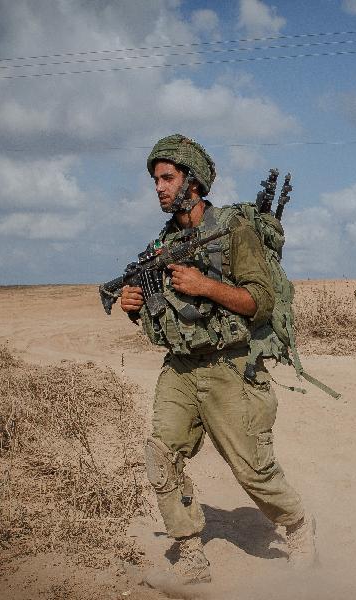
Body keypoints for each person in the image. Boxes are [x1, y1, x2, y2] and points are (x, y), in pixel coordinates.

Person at [119, 134, 315, 585]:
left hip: (232, 367)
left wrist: (205, 286)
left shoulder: (233, 231)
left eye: (167, 177)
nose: (158, 187)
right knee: (160, 455)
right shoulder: (162, 246)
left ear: (193, 181)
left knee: (252, 471)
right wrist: (136, 309)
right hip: (182, 370)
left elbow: (261, 302)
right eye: (155, 179)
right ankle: (191, 558)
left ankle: (299, 525)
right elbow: (163, 324)